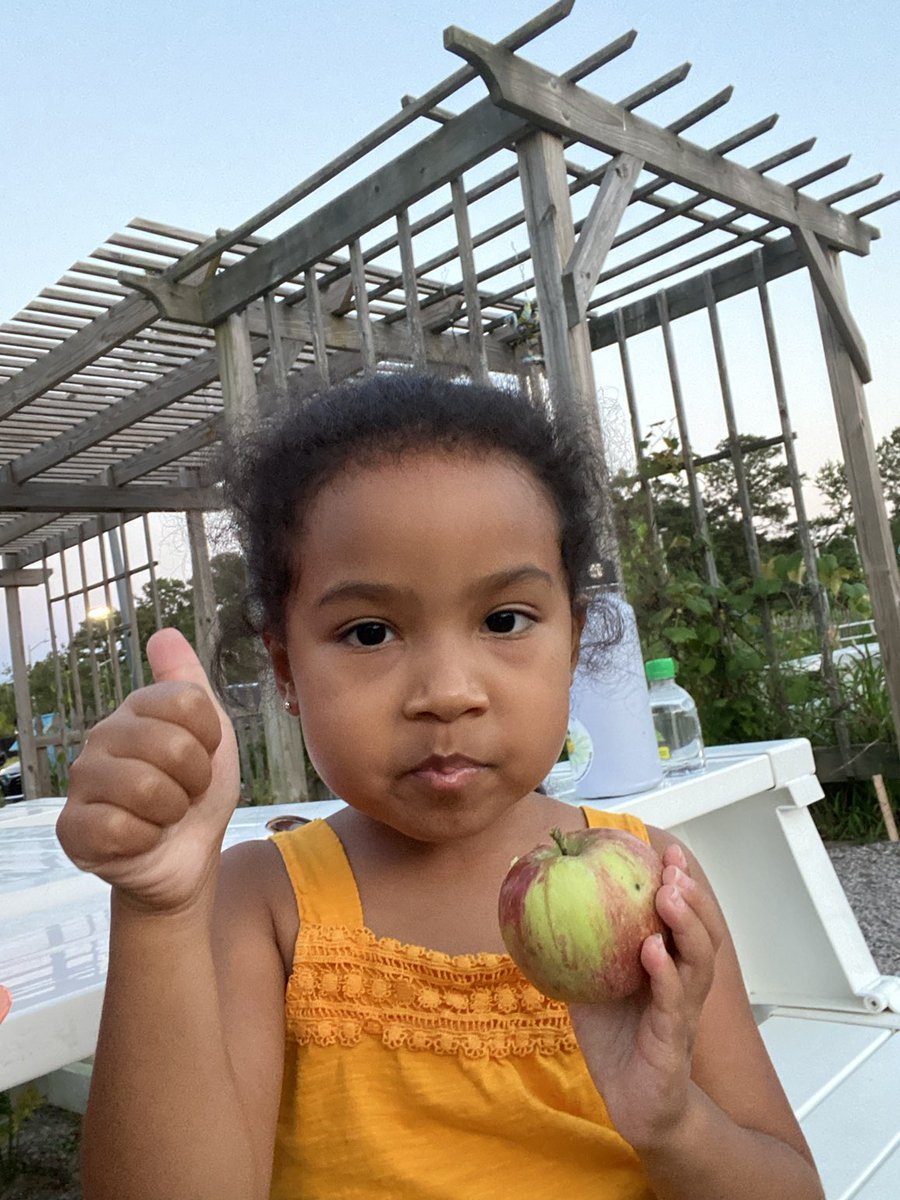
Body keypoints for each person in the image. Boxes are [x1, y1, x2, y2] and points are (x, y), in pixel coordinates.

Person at [58, 373, 824, 1200]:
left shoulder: (658, 882)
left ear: (574, 641)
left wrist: (675, 1127)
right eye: (370, 631)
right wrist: (157, 911)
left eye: (505, 620)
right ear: (287, 670)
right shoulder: (263, 906)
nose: (448, 689)